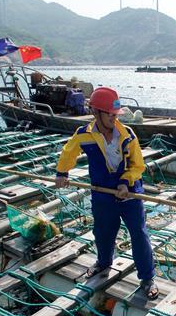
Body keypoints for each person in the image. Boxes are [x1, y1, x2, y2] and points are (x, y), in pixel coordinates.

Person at [54, 86, 158, 298]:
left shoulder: (127, 135)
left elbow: (138, 166)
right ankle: (103, 263)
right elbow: (68, 152)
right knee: (103, 231)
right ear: (95, 113)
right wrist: (62, 172)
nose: (113, 118)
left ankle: (147, 278)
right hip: (101, 193)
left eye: (115, 114)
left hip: (129, 193)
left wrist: (125, 183)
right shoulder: (84, 135)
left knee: (138, 234)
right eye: (109, 114)